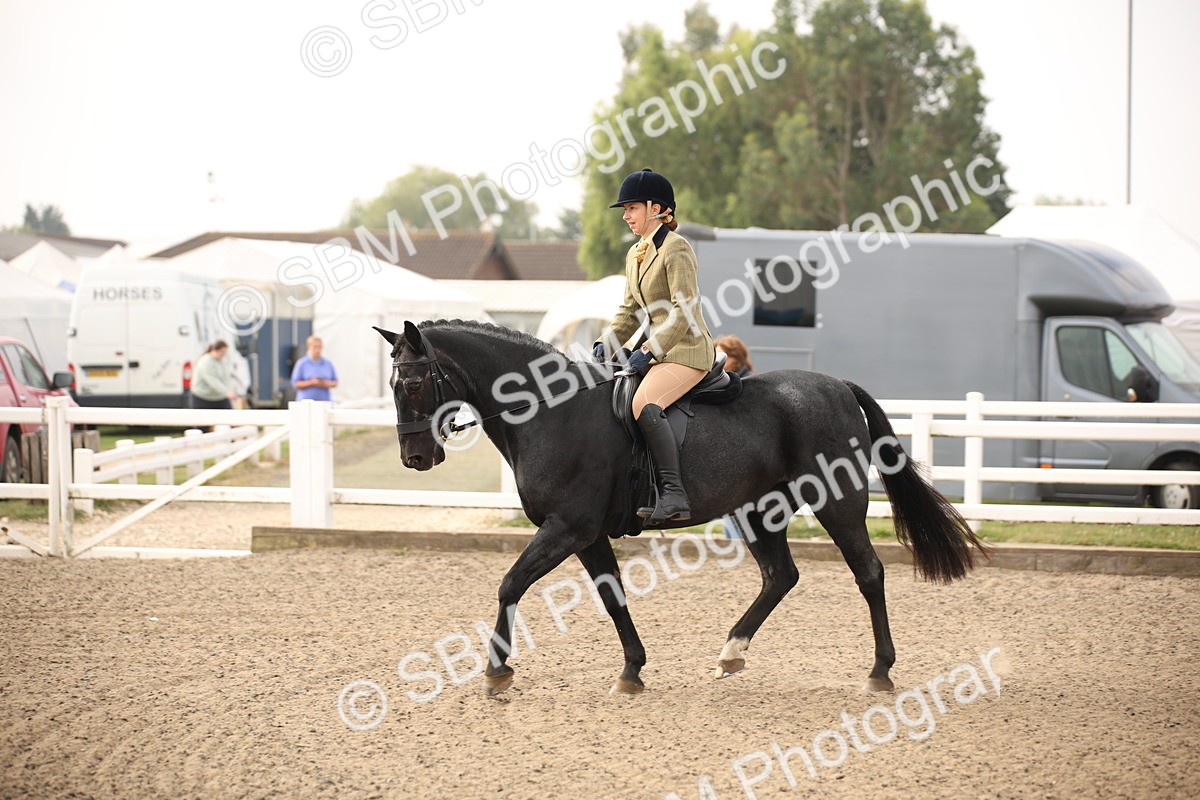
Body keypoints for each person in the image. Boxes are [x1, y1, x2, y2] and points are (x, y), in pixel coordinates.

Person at [593, 168, 716, 524]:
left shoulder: (677, 248)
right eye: (625, 210)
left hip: (687, 350)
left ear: (655, 208)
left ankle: (674, 494)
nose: (626, 216)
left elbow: (685, 309)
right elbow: (629, 311)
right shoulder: (635, 254)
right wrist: (607, 342)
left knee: (644, 403)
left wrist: (648, 350)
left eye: (631, 208)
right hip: (659, 352)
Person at [190, 340, 239, 410]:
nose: (224, 354)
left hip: (219, 397)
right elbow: (213, 381)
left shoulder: (221, 361)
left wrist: (230, 390)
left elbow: (226, 378)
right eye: (222, 352)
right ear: (215, 350)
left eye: (225, 352)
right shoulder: (205, 362)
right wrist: (227, 392)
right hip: (203, 398)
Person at [290, 335, 338, 402]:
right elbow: (295, 383)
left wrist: (324, 383)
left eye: (319, 347)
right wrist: (311, 383)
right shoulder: (302, 363)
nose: (317, 350)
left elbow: (335, 382)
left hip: (324, 401)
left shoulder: (328, 363)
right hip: (306, 402)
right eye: (315, 347)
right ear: (309, 347)